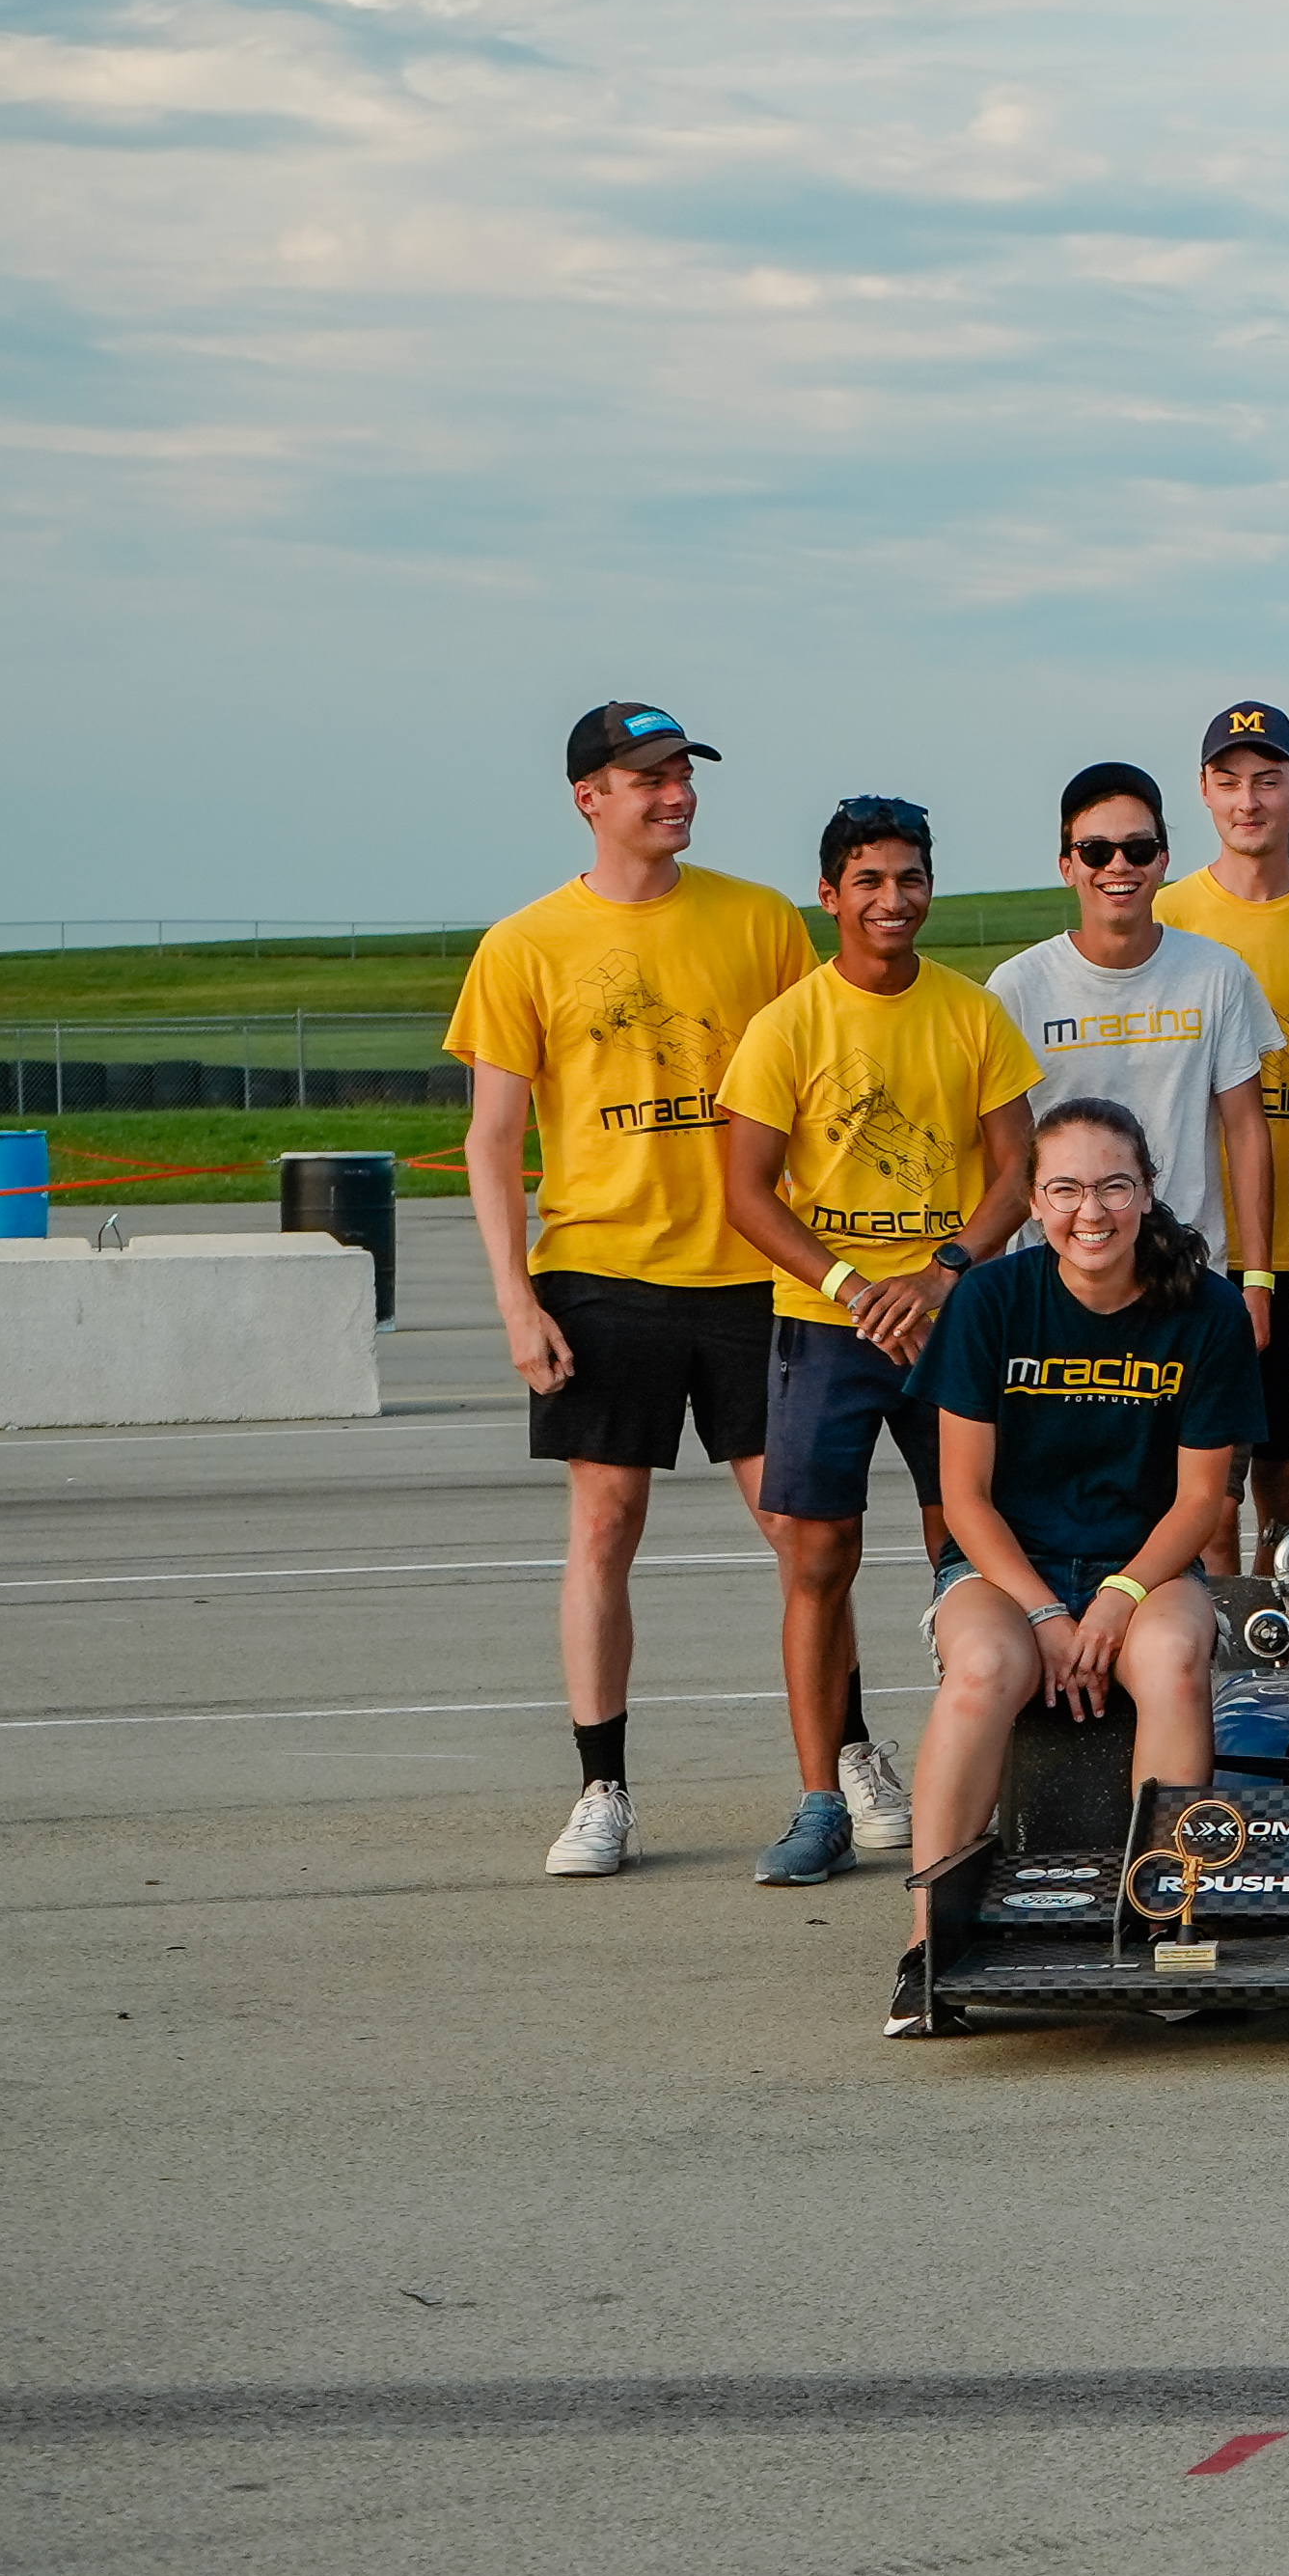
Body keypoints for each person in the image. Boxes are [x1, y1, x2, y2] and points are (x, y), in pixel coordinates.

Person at [447, 704, 824, 1881]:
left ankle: (842, 1763)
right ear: (588, 797)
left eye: (681, 774)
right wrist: (516, 1300)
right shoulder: (524, 945)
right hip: (601, 1270)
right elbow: (491, 1136)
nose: (675, 793)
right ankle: (602, 1787)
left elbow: (815, 1082)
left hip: (753, 1273)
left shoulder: (759, 921)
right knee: (605, 1527)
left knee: (802, 1533)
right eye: (647, 776)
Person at [715, 801, 1044, 1889]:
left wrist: (946, 1270)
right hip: (829, 1327)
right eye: (869, 881)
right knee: (817, 1557)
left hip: (952, 1323)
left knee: (972, 1554)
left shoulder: (970, 1013)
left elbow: (1016, 1169)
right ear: (831, 893)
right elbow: (746, 1191)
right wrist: (854, 1283)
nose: (892, 900)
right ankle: (822, 1804)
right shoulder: (789, 1024)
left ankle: (986, 1791)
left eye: (909, 878)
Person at [886, 1096, 1261, 2039]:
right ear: (1031, 1200)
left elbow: (1202, 1503)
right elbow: (964, 1498)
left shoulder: (1205, 1309)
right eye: (1063, 1189)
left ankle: (1164, 1922)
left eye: (1111, 1186)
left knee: (1172, 1660)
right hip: (1012, 1565)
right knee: (984, 1670)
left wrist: (1123, 1595)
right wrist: (1049, 1613)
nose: (1088, 1212)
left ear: (1145, 1192)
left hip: (1145, 1561)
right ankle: (928, 1944)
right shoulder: (990, 1300)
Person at [1153, 699, 1289, 1558]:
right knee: (1205, 1491)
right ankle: (1211, 1658)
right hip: (1191, 1242)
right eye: (1229, 781)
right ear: (1204, 792)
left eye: (1268, 780)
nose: (1249, 801)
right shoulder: (1169, 912)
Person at [985, 763, 1278, 1300]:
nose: (1118, 865)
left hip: (1185, 1271)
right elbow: (1004, 1152)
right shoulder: (1018, 986)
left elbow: (1245, 1130)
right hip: (1057, 1272)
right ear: (1066, 866)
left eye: (1138, 850)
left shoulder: (1218, 975)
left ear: (1162, 861)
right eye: (1096, 851)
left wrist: (1255, 1280)